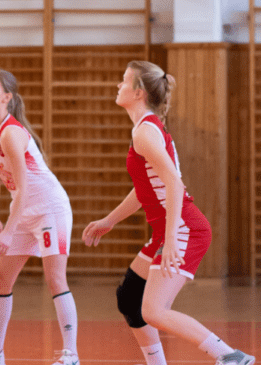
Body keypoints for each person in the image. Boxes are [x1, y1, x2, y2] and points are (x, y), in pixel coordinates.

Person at [83, 62, 255, 365]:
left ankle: (230, 356)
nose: (118, 87)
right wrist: (110, 220)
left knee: (154, 310)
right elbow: (145, 188)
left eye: (123, 82)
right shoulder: (145, 129)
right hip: (170, 229)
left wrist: (173, 236)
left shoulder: (145, 134)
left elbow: (174, 184)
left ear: (138, 92)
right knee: (130, 298)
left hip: (185, 227)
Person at [0, 68, 78, 365]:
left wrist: (9, 231)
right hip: (22, 209)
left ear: (7, 97)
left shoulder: (12, 133)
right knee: (1, 280)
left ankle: (71, 356)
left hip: (49, 208)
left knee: (55, 279)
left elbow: (24, 187)